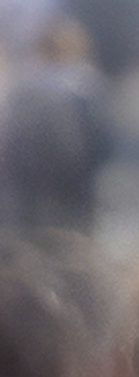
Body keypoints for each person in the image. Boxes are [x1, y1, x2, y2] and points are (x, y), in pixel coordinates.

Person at [0, 16, 114, 237]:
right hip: (72, 198)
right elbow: (101, 147)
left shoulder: (22, 90)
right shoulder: (87, 90)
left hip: (26, 201)